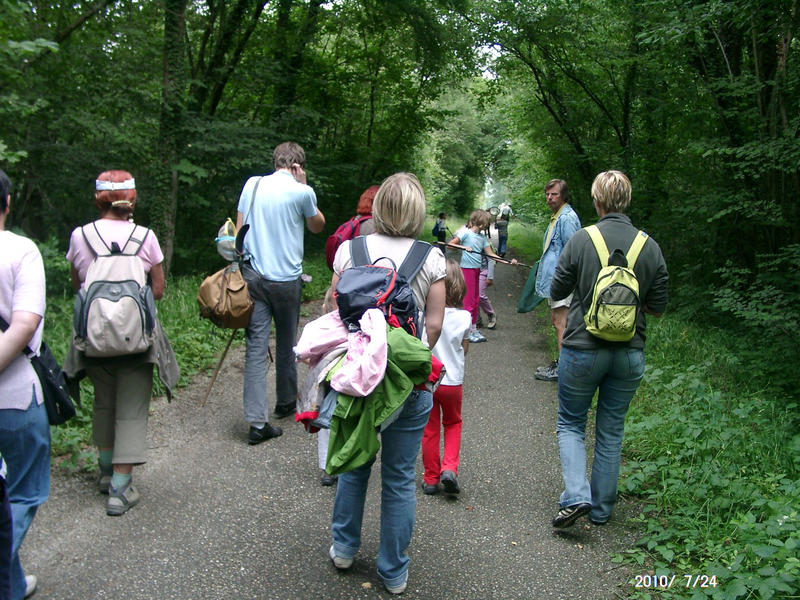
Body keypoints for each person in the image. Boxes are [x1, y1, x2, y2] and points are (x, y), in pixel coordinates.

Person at [327, 172, 445, 595]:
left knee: (355, 463)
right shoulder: (431, 258)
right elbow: (433, 325)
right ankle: (392, 571)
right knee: (397, 477)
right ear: (417, 211)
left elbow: (334, 310)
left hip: (359, 379)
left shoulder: (349, 251)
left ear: (377, 209)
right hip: (406, 384)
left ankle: (343, 547)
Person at [549, 170, 668, 528]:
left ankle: (576, 495)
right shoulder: (649, 246)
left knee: (571, 423)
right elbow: (657, 307)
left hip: (582, 349)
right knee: (611, 430)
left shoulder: (583, 239)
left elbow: (557, 290)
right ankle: (600, 510)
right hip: (629, 353)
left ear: (597, 201)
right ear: (626, 201)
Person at [65, 170, 178, 516]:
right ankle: (120, 489)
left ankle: (104, 472)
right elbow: (156, 290)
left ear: (98, 198)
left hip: (94, 338)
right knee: (130, 409)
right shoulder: (145, 237)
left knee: (104, 402)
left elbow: (77, 284)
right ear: (132, 199)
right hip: (136, 339)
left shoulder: (80, 236)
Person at [236, 142, 325, 444]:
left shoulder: (253, 185)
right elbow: (317, 226)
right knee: (288, 341)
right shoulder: (303, 192)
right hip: (287, 280)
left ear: (275, 161)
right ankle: (286, 401)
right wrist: (305, 185)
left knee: (256, 348)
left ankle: (257, 423)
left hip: (255, 277)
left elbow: (239, 230)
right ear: (299, 164)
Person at [0, 168, 48, 599]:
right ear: (8, 202)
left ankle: (11, 584)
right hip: (13, 395)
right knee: (24, 489)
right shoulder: (20, 250)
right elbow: (25, 323)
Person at [421, 259, 470, 496]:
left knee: (429, 428)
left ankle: (430, 478)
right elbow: (465, 347)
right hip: (453, 382)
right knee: (453, 423)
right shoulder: (464, 318)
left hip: (430, 380)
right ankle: (449, 468)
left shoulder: (424, 316)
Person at [534, 179, 581, 382]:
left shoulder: (567, 218)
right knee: (558, 321)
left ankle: (564, 370)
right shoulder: (557, 217)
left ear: (563, 195)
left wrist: (566, 281)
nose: (549, 198)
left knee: (561, 323)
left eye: (554, 194)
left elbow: (573, 252)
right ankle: (563, 364)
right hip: (556, 280)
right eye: (547, 194)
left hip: (563, 281)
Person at [448, 210, 513, 344]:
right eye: (487, 221)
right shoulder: (466, 233)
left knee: (476, 300)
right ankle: (467, 332)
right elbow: (450, 245)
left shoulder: (482, 238)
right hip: (467, 270)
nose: (488, 223)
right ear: (481, 221)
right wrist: (463, 247)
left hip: (477, 270)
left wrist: (508, 262)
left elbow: (491, 255)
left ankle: (473, 328)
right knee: (469, 301)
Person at [476, 254, 497, 330]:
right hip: (471, 270)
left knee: (480, 295)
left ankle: (491, 314)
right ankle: (477, 320)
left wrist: (490, 276)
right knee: (472, 296)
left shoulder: (483, 242)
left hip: (483, 271)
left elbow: (491, 259)